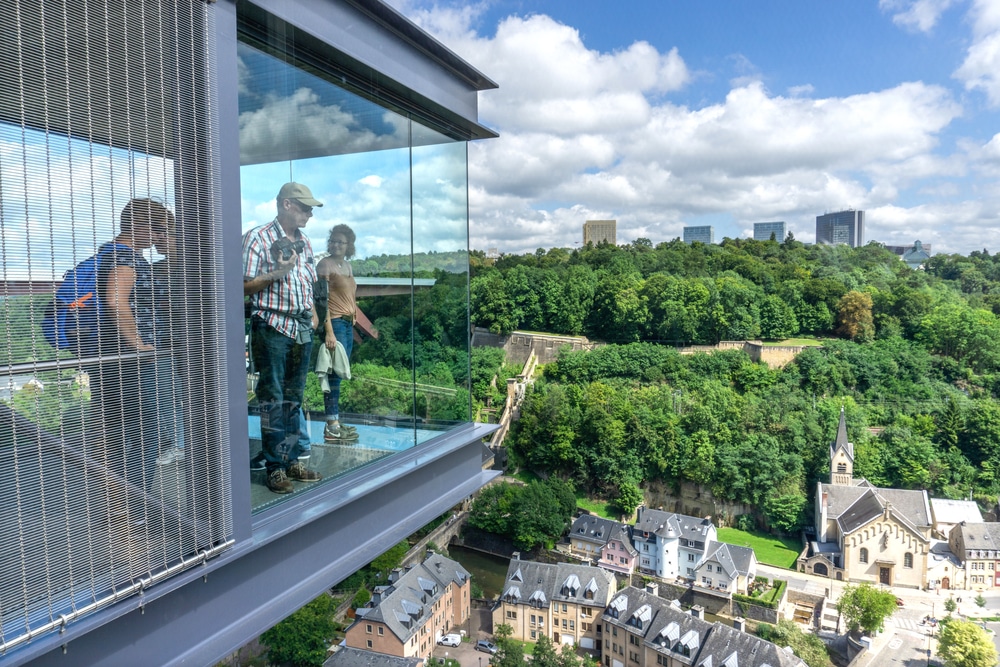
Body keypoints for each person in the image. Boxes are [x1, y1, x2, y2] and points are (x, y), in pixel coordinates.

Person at [243, 183, 323, 494]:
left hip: (301, 329)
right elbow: (242, 287)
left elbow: (310, 285)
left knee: (294, 400)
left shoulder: (307, 242)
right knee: (273, 400)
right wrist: (276, 273)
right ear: (287, 204)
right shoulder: (258, 238)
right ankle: (275, 467)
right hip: (273, 327)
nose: (310, 213)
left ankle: (291, 462)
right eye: (305, 207)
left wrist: (314, 317)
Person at [91, 198, 171, 495]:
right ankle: (135, 505)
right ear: (140, 225)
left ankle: (121, 501)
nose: (160, 236)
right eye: (158, 229)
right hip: (136, 360)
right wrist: (139, 344)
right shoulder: (124, 257)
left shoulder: (113, 253)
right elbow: (115, 300)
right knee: (144, 431)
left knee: (124, 431)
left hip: (119, 357)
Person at [316, 224, 359, 443]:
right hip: (335, 325)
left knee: (340, 375)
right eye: (332, 241)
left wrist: (354, 313)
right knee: (334, 376)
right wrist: (329, 332)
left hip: (347, 324)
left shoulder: (347, 266)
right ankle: (331, 426)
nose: (335, 245)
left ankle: (336, 421)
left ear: (348, 245)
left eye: (340, 242)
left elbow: (348, 294)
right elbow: (322, 301)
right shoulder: (325, 265)